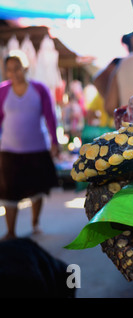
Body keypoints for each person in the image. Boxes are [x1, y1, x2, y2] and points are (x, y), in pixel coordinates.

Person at [0, 55, 59, 241]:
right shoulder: (2, 91)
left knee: (37, 189)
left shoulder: (39, 89)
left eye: (17, 68)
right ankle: (10, 232)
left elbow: (50, 117)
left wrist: (55, 142)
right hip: (9, 150)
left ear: (25, 68)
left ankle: (35, 223)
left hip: (37, 148)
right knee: (9, 192)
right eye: (9, 69)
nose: (13, 73)